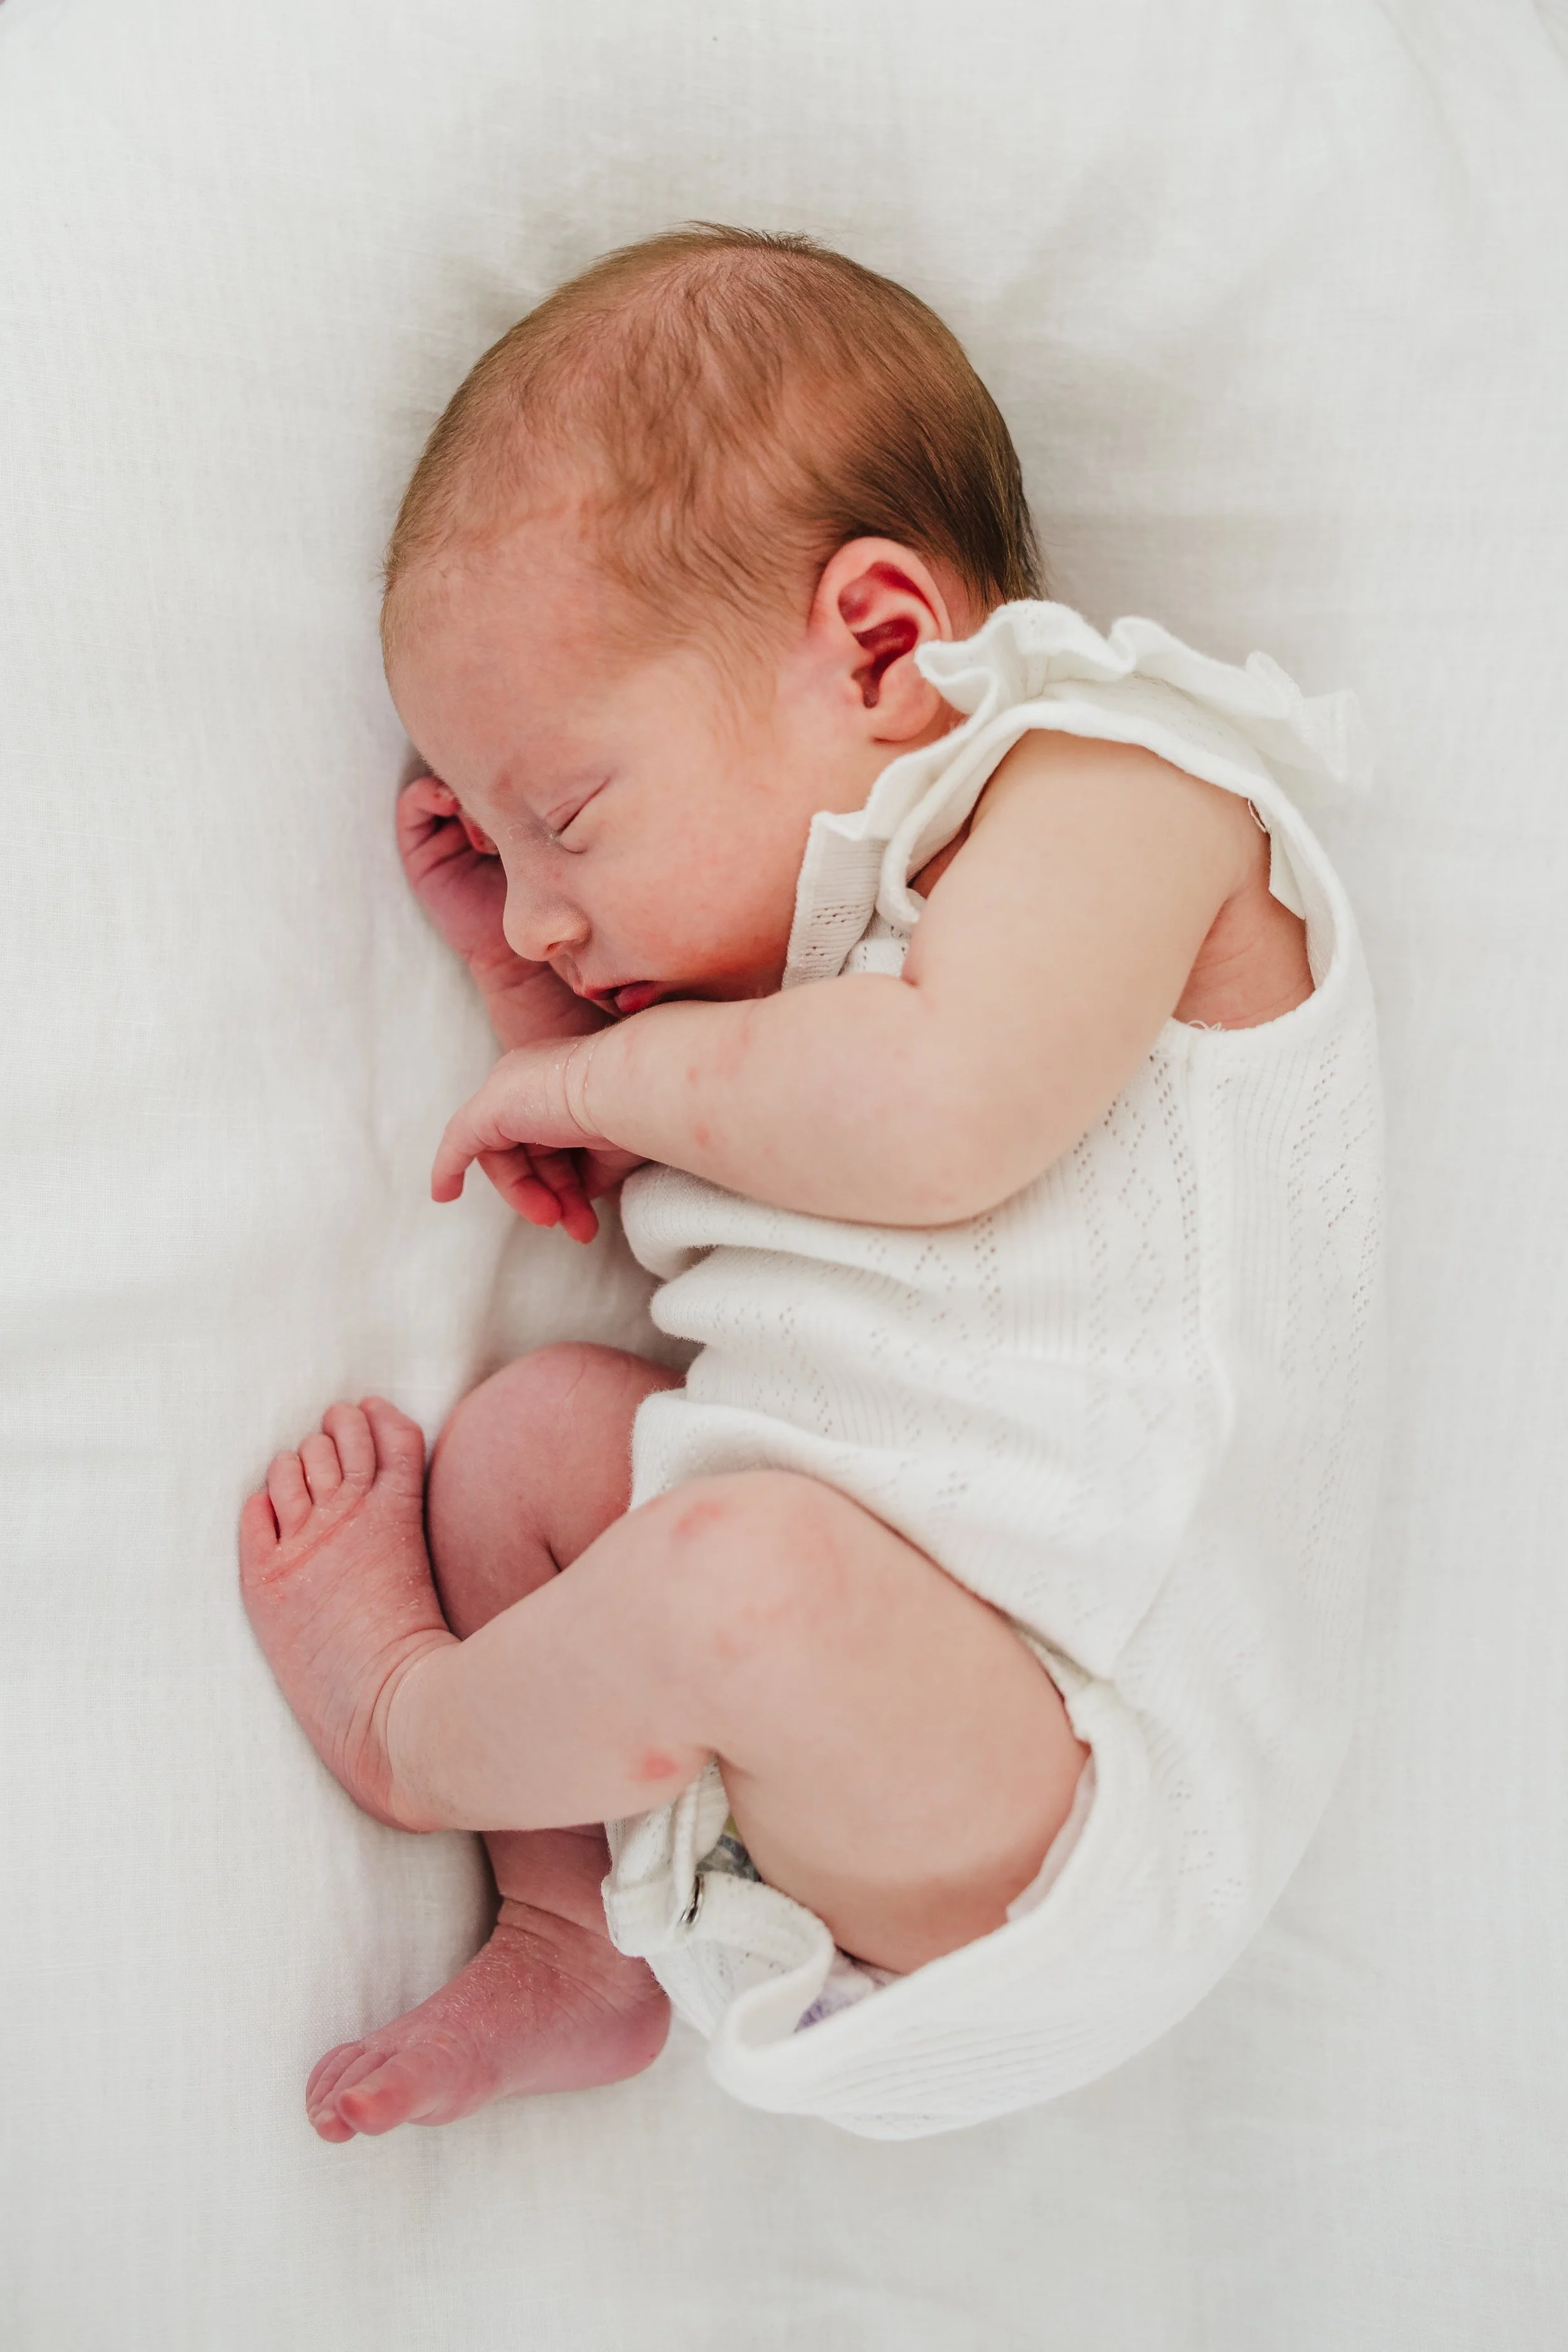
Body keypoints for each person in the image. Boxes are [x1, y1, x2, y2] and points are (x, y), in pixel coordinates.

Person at [238, 225, 1382, 2143]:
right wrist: (529, 999)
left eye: (568, 814)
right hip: (861, 1679)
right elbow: (751, 1216)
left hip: (1084, 1770)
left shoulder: (1125, 787)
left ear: (873, 644)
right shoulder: (795, 972)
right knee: (528, 1451)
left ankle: (413, 1736)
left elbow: (934, 1125)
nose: (535, 897)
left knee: (736, 1578)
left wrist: (587, 1052)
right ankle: (576, 1928)